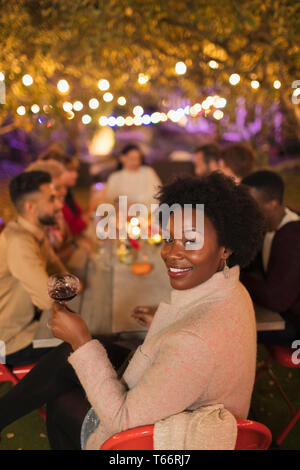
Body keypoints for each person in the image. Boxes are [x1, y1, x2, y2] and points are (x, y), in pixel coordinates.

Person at [0, 173, 264, 450]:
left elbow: (122, 421)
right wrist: (165, 322)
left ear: (226, 248)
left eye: (191, 241)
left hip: (160, 440)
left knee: (63, 400)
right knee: (71, 356)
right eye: (169, 238)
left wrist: (80, 340)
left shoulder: (193, 342)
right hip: (178, 393)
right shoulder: (233, 289)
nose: (172, 253)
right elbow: (197, 339)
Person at [0, 171, 66, 365]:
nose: (59, 205)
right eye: (51, 199)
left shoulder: (32, 232)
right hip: (11, 340)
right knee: (88, 341)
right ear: (30, 207)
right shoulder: (19, 242)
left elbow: (60, 272)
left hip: (32, 323)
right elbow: (48, 298)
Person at [240, 170, 300, 345]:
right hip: (283, 314)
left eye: (249, 205)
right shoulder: (267, 226)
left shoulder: (293, 237)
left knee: (224, 330)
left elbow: (276, 299)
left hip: (294, 325)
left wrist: (235, 276)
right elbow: (250, 263)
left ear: (272, 204)